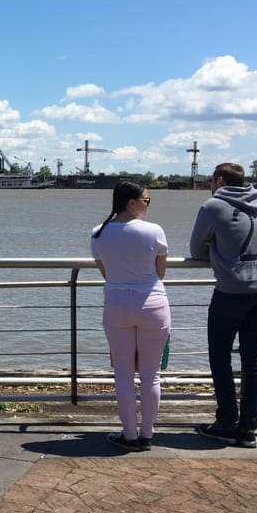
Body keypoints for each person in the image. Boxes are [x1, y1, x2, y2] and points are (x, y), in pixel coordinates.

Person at [191, 162, 257, 449]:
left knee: (220, 356)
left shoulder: (212, 206)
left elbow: (195, 249)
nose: (209, 186)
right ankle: (248, 430)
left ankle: (226, 423)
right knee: (254, 359)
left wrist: (216, 250)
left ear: (220, 180)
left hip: (231, 291)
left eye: (211, 181)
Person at [90, 181, 170, 452]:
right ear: (131, 202)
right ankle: (147, 435)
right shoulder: (154, 231)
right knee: (151, 375)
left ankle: (129, 435)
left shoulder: (98, 234)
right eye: (146, 201)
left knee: (123, 374)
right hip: (153, 304)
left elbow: (106, 273)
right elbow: (160, 273)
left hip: (116, 303)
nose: (148, 205)